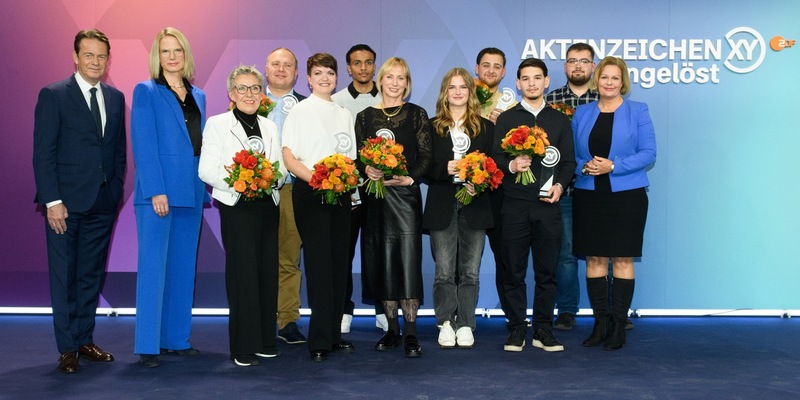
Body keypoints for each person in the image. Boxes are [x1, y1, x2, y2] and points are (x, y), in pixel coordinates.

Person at [33, 29, 125, 374]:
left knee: (90, 275)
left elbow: (117, 151)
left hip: (102, 203)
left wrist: (115, 189)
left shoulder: (115, 98)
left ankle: (85, 338)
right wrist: (52, 200)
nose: (95, 62)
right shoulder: (54, 95)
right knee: (64, 276)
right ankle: (67, 347)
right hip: (65, 206)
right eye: (89, 55)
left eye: (101, 56)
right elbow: (43, 153)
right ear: (75, 56)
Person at [199, 65, 287, 366]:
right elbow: (206, 170)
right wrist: (242, 179)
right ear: (231, 93)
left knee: (266, 273)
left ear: (261, 93)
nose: (248, 94)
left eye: (254, 88)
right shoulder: (218, 124)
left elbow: (281, 168)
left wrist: (271, 177)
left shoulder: (270, 126)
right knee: (243, 276)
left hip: (267, 206)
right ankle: (242, 345)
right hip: (237, 207)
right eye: (242, 88)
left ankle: (264, 339)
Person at [131, 27, 206, 368]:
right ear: (156, 57)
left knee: (181, 269)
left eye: (177, 50)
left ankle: (176, 339)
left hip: (191, 190)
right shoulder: (146, 91)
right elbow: (144, 143)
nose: (172, 56)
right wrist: (156, 189)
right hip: (157, 194)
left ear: (186, 54)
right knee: (153, 269)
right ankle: (148, 344)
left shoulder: (200, 95)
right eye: (165, 51)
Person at [572, 56, 656, 350]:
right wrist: (584, 167)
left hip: (627, 196)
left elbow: (649, 153)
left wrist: (613, 166)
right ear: (597, 80)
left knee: (622, 259)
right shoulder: (581, 113)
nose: (609, 82)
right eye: (604, 77)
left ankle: (619, 326)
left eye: (615, 78)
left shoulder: (638, 111)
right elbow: (571, 156)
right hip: (589, 195)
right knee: (595, 259)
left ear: (623, 82)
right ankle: (600, 324)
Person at [492, 58, 575, 353]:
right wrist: (512, 164)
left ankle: (543, 329)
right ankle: (516, 329)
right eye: (525, 79)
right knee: (513, 271)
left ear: (546, 82)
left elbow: (568, 162)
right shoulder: (506, 119)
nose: (531, 83)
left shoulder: (559, 120)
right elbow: (495, 159)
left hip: (547, 206)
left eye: (537, 78)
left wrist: (560, 186)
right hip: (513, 205)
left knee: (547, 272)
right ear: (517, 83)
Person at [356, 56, 432, 358]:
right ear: (381, 80)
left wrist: (409, 177)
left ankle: (411, 333)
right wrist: (368, 171)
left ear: (408, 83)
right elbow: (362, 155)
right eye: (390, 77)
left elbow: (427, 154)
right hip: (376, 198)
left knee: (408, 262)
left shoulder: (416, 114)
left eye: (402, 78)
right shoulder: (364, 116)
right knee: (382, 261)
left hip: (405, 197)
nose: (395, 83)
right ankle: (392, 330)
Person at [282, 53, 356, 362]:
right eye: (318, 73)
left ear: (336, 78)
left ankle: (335, 334)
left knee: (340, 262)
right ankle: (319, 340)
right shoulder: (299, 111)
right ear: (308, 79)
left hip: (340, 193)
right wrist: (317, 179)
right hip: (311, 192)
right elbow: (288, 156)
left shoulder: (344, 113)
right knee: (319, 263)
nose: (325, 77)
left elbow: (350, 157)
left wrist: (343, 181)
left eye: (329, 72)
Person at [423, 68, 494, 349]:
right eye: (451, 87)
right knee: (443, 270)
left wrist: (481, 181)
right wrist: (445, 168)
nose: (457, 92)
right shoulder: (431, 126)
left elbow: (493, 166)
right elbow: (424, 167)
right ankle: (445, 323)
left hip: (475, 204)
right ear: (444, 92)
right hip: (442, 202)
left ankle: (466, 323)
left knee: (470, 271)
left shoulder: (485, 127)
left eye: (463, 86)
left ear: (470, 91)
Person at [331, 44, 387, 334]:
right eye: (357, 63)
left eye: (368, 62)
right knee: (344, 251)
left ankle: (383, 308)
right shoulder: (336, 100)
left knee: (378, 250)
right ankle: (343, 309)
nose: (363, 68)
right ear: (349, 68)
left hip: (381, 189)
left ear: (375, 66)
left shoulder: (387, 96)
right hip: (348, 189)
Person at [544, 42, 599, 331]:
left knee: (603, 250)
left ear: (593, 66)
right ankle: (567, 309)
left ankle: (612, 311)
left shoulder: (605, 99)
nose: (578, 65)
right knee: (565, 254)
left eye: (584, 61)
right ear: (565, 66)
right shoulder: (551, 101)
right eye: (573, 61)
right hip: (562, 189)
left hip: (597, 189)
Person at [265, 47, 307, 345]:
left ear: (296, 74)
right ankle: (258, 318)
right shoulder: (247, 102)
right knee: (256, 257)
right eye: (275, 64)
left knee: (288, 260)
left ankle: (288, 320)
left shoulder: (307, 107)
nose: (281, 69)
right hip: (255, 192)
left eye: (287, 65)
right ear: (266, 69)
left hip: (293, 191)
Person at [475, 47, 516, 320]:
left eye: (496, 66)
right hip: (470, 190)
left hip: (502, 192)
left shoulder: (513, 106)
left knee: (506, 256)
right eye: (485, 65)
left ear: (503, 72)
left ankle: (513, 314)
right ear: (476, 68)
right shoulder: (461, 99)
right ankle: (459, 316)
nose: (490, 70)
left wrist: (502, 126)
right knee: (465, 259)